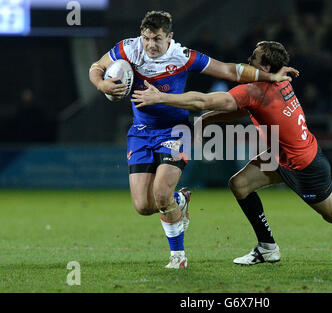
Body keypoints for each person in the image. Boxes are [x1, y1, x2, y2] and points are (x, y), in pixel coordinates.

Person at [131, 41, 332, 265]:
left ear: (267, 68)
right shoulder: (278, 80)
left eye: (254, 58)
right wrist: (211, 120)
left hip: (304, 166)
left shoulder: (255, 88)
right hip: (280, 156)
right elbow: (246, 108)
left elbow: (203, 99)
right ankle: (267, 248)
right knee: (239, 184)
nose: (248, 61)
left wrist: (160, 97)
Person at [88, 11, 297, 269]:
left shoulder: (183, 56)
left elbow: (228, 70)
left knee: (161, 194)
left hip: (175, 131)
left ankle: (178, 257)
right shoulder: (128, 49)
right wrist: (101, 85)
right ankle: (181, 200)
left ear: (169, 38)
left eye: (157, 39)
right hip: (140, 132)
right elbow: (96, 67)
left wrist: (270, 76)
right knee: (143, 206)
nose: (150, 45)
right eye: (146, 38)